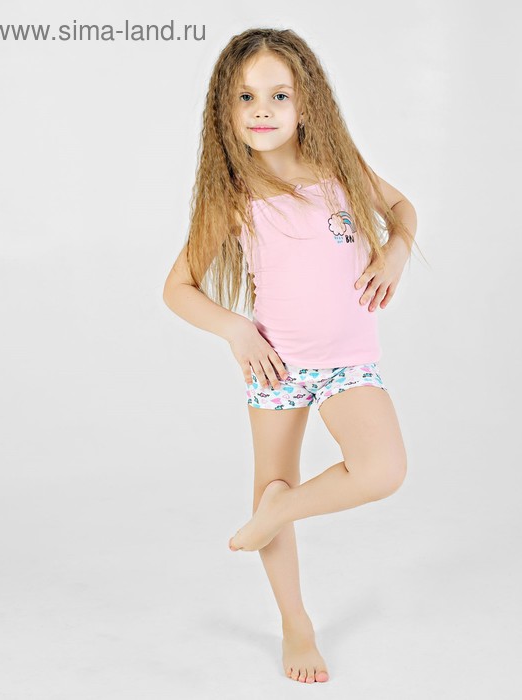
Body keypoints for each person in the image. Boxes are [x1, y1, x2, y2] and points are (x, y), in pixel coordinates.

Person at [162, 27, 420, 685]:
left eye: (279, 95)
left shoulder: (338, 168)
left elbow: (400, 207)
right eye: (246, 97)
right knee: (271, 476)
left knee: (382, 470)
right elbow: (177, 288)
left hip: (348, 363)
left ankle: (279, 510)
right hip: (276, 364)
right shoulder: (234, 196)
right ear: (225, 108)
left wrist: (396, 250)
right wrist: (237, 331)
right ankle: (295, 623)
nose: (263, 110)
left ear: (306, 102)